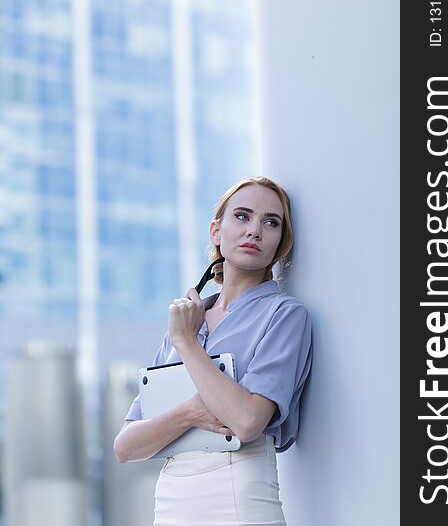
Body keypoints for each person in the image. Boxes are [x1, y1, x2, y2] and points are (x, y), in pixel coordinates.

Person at [114, 176, 313, 526]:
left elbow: (248, 421)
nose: (255, 230)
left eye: (271, 222)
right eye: (242, 216)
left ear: (281, 243)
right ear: (215, 232)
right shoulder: (186, 321)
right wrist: (190, 414)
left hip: (241, 496)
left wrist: (188, 345)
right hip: (172, 501)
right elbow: (127, 446)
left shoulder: (284, 316)